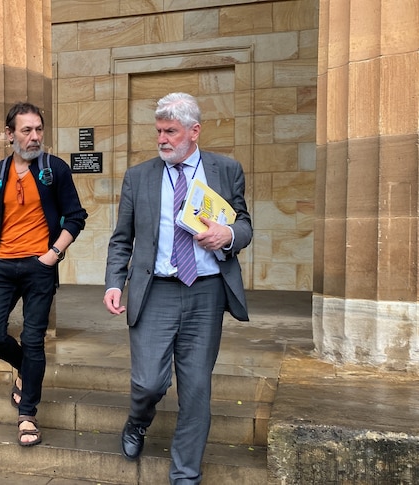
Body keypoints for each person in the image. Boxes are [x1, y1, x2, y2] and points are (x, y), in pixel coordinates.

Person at [103, 92, 252, 484]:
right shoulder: (139, 177)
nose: (163, 139)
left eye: (171, 131)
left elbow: (246, 226)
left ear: (194, 131)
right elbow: (122, 239)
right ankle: (138, 421)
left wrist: (228, 234)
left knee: (197, 388)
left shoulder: (226, 170)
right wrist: (115, 282)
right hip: (156, 292)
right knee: (149, 381)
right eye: (159, 131)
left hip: (206, 291)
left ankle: (185, 476)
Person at [0, 102, 88, 447]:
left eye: (38, 129)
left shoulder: (54, 170)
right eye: (26, 130)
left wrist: (53, 254)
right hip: (1, 265)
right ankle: (25, 371)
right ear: (9, 134)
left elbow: (75, 217)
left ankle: (27, 414)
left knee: (33, 339)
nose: (34, 136)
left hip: (39, 266)